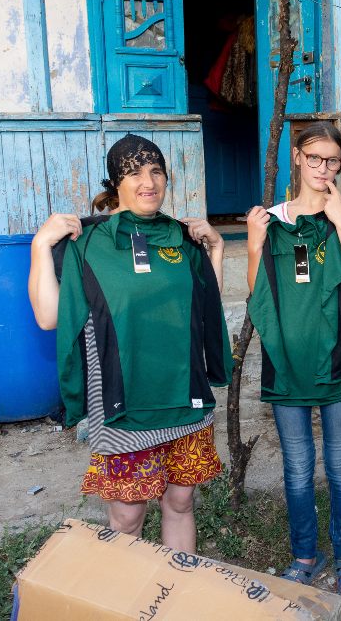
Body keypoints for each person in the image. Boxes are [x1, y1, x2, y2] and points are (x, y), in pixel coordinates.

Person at [28, 134, 232, 553]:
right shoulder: (86, 243)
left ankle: (176, 597)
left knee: (180, 502)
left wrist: (216, 249)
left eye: (156, 171)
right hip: (124, 406)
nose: (149, 182)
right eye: (134, 172)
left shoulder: (181, 238)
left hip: (183, 398)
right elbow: (49, 317)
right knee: (126, 516)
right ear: (114, 183)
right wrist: (40, 245)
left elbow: (203, 307)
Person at [245, 122, 341, 602]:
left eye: (333, 161)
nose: (323, 169)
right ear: (297, 157)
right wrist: (255, 243)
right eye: (315, 158)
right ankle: (305, 554)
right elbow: (257, 293)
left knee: (340, 461)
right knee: (297, 465)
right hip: (287, 357)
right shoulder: (273, 219)